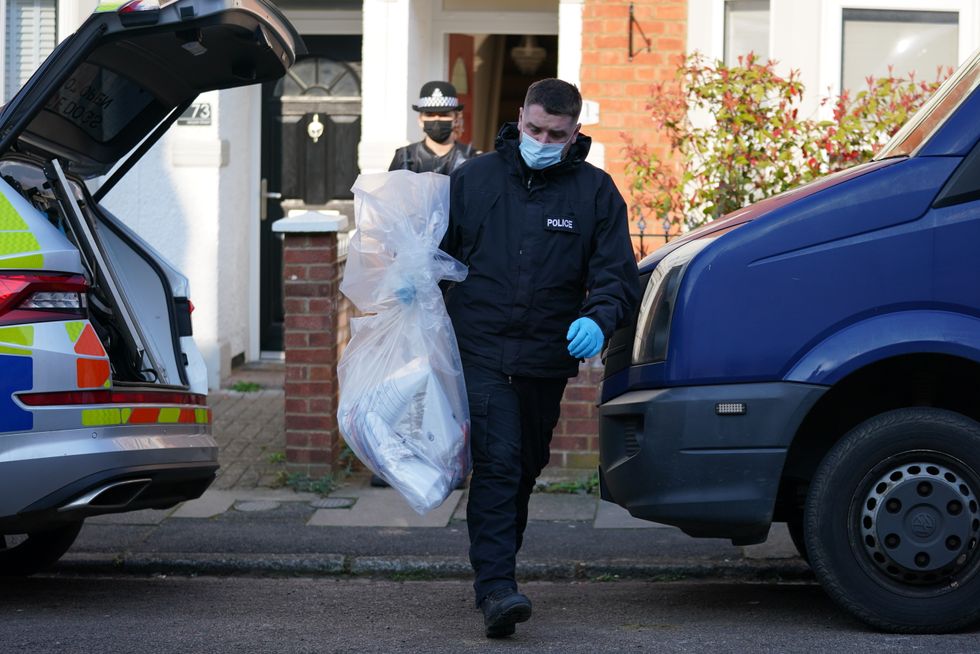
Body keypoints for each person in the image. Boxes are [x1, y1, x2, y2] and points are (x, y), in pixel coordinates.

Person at [441, 79, 640, 638]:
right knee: (500, 464)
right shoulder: (475, 180)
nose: (541, 140)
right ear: (519, 117)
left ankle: (494, 573)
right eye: (533, 129)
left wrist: (597, 319)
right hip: (478, 349)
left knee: (524, 467)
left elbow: (614, 276)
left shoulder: (595, 194)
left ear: (575, 131)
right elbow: (437, 258)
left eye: (555, 133)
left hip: (545, 359)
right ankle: (497, 589)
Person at [388, 80, 479, 175]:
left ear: (456, 119)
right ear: (420, 120)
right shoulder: (404, 157)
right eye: (429, 114)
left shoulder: (472, 158)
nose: (437, 119)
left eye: (444, 114)